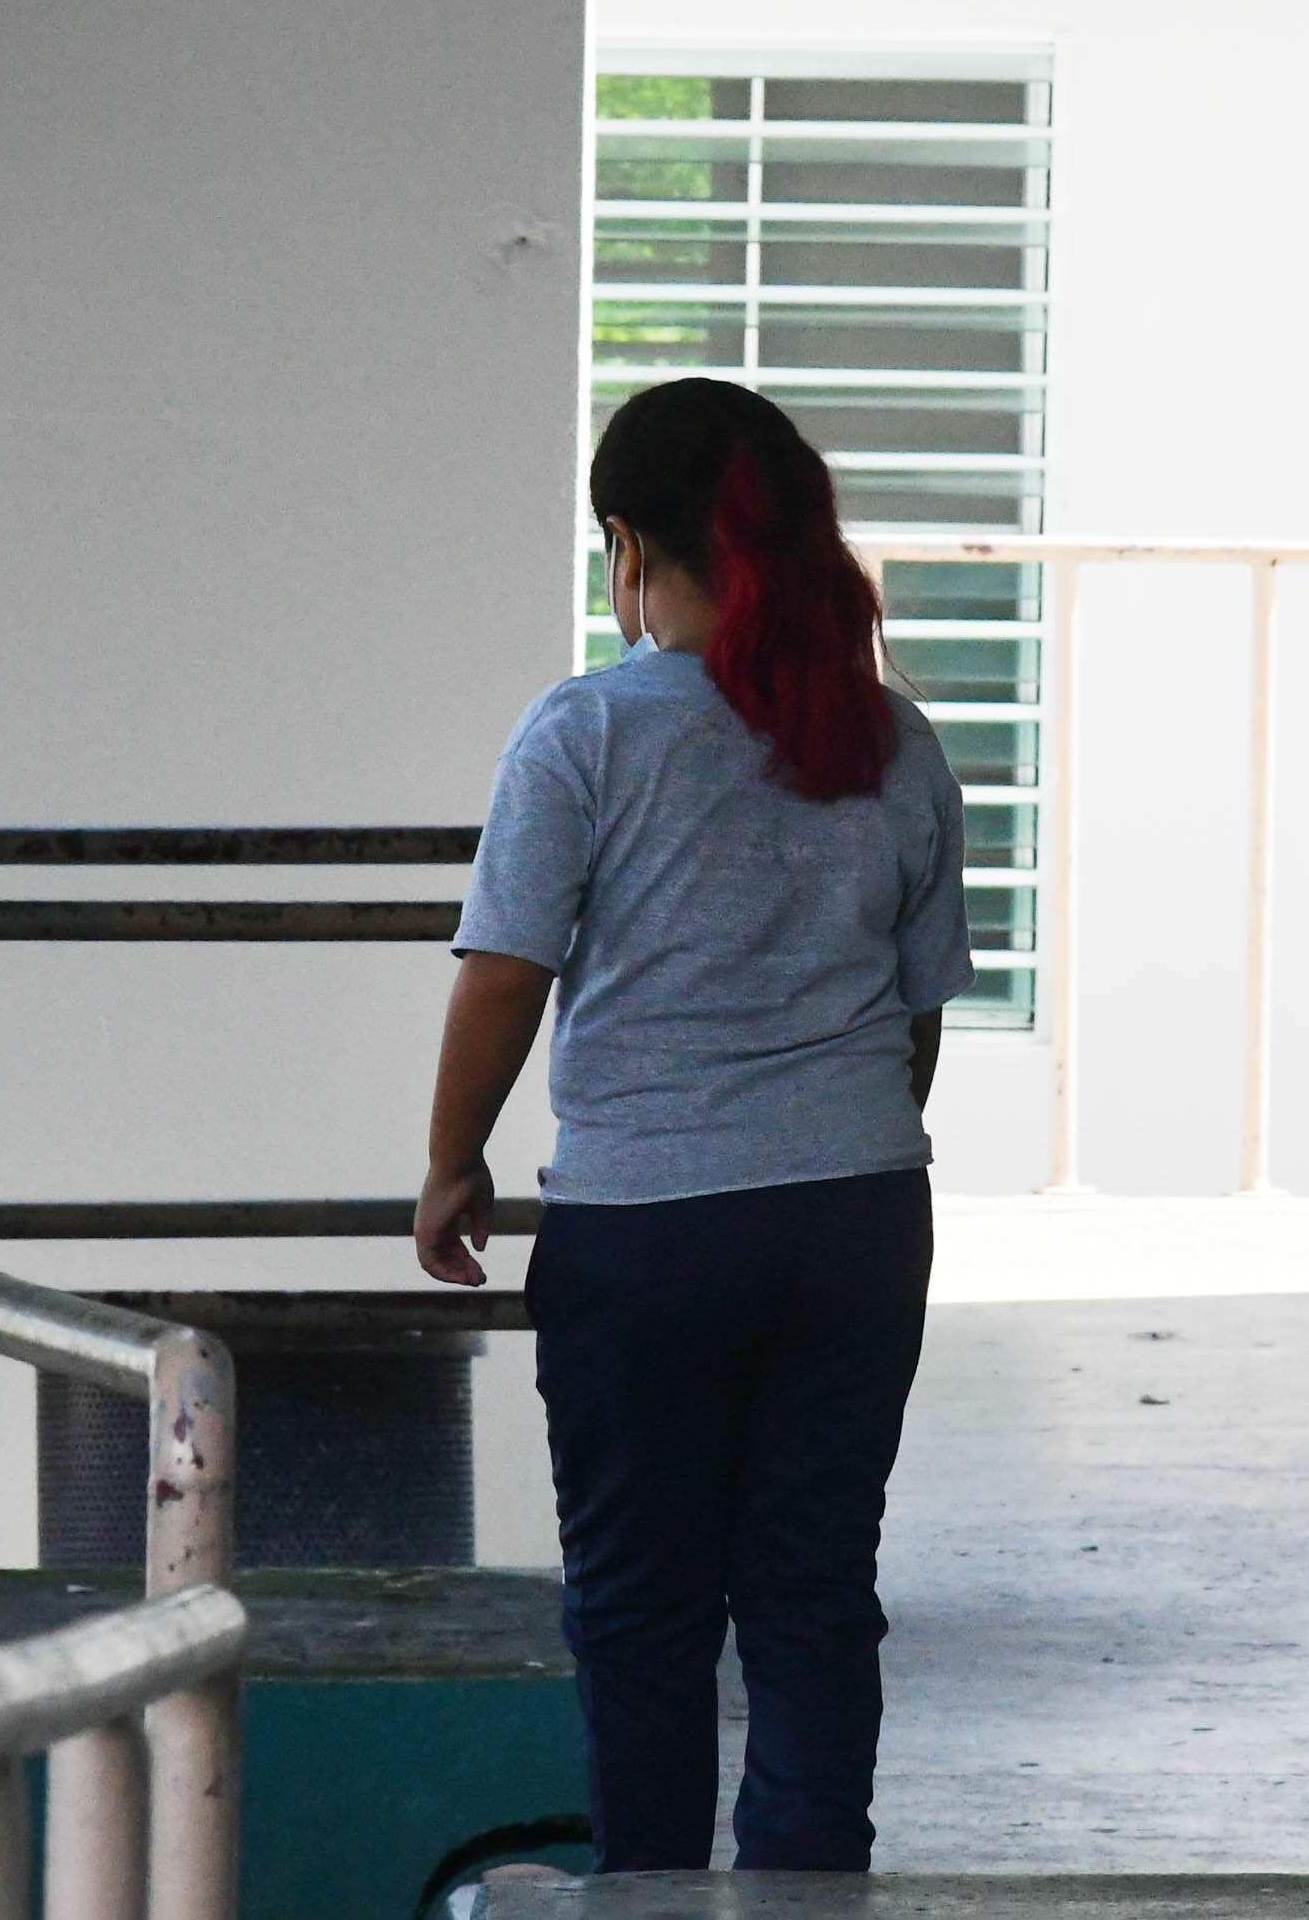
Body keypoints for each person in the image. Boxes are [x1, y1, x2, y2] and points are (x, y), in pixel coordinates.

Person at [414, 374, 973, 1874]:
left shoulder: (587, 730)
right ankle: (808, 1897)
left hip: (648, 1234)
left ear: (629, 543)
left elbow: (505, 972)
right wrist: (831, 1150)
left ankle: (650, 1897)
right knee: (811, 1587)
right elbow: (917, 1017)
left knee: (643, 1604)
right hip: (856, 1218)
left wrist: (453, 1160)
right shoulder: (891, 737)